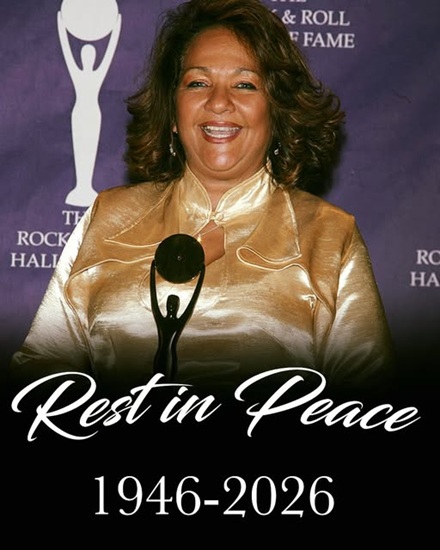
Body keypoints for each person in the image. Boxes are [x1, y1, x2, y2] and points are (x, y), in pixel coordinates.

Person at [10, 0, 394, 396]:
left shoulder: (329, 235)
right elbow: (41, 378)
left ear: (277, 111)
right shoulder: (109, 215)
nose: (219, 102)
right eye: (197, 83)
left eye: (245, 84)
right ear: (173, 111)